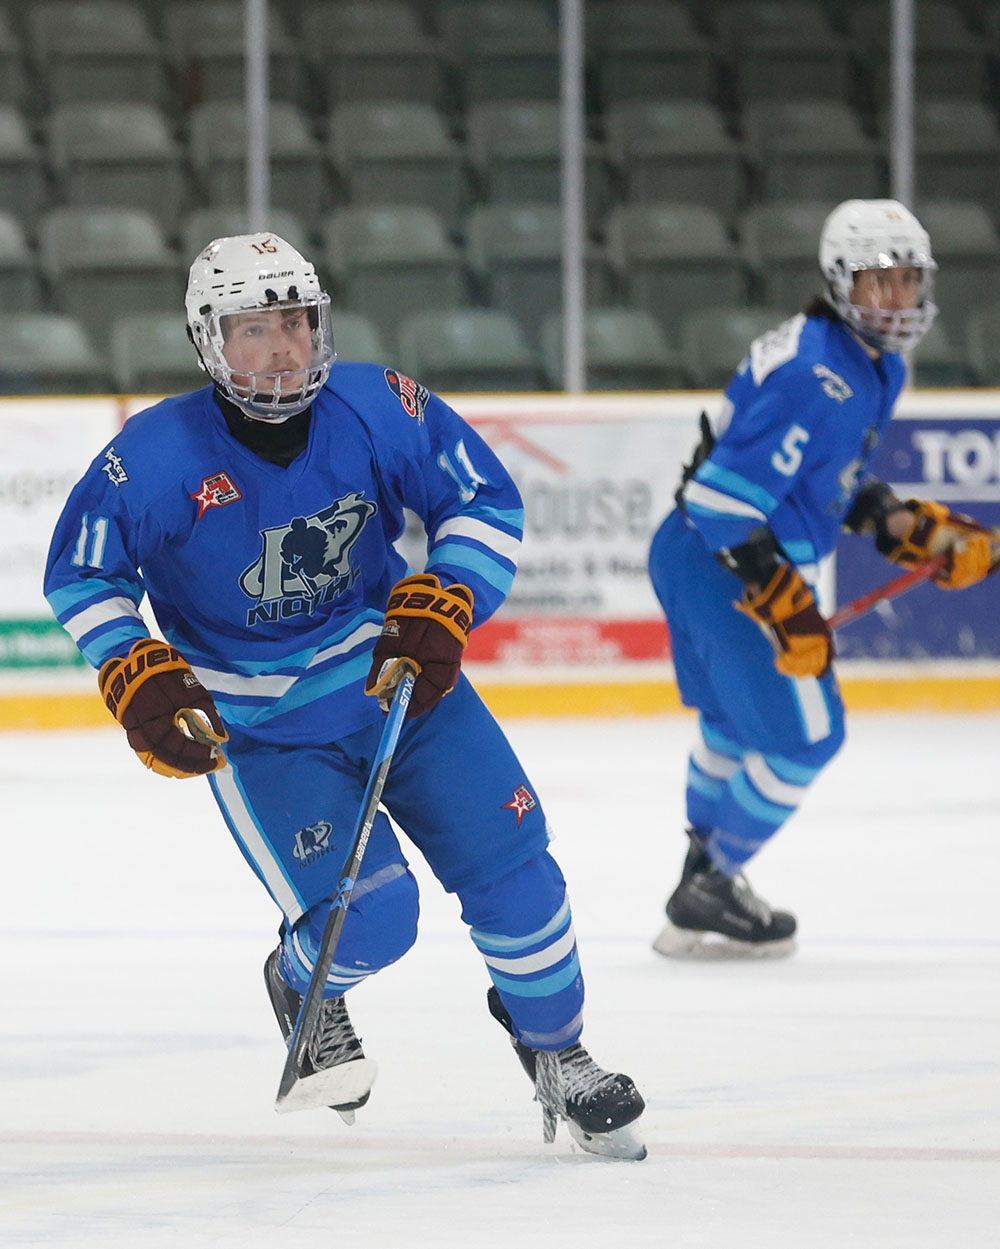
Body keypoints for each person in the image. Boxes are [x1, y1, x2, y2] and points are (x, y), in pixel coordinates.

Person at [44, 233, 646, 1160]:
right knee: (373, 917)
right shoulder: (155, 455)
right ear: (209, 341)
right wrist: (132, 663)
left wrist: (450, 592)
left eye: (295, 321)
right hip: (265, 731)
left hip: (400, 688)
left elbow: (480, 498)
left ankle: (557, 1049)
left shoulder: (377, 405)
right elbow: (83, 573)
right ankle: (301, 980)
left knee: (519, 876)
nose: (282, 347)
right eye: (253, 329)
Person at [648, 199, 996, 959]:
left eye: (908, 280)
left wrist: (898, 522)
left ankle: (700, 883)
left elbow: (822, 479)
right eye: (879, 280)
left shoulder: (870, 363)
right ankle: (712, 881)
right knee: (809, 738)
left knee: (732, 727)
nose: (897, 298)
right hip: (726, 562)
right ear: (841, 282)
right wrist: (781, 600)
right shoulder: (817, 372)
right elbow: (721, 502)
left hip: (694, 554)